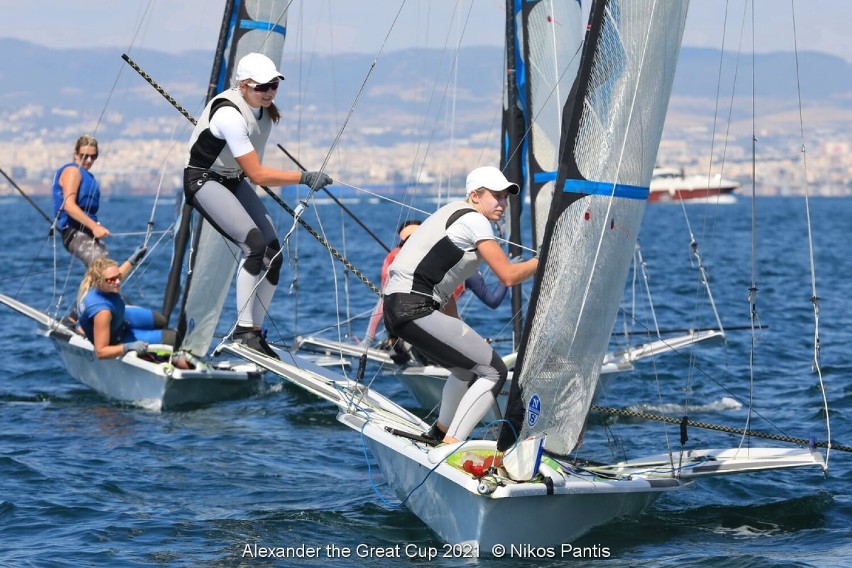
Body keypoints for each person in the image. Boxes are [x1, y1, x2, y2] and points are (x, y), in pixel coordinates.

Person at [183, 52, 332, 359]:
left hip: (232, 179)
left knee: (273, 253)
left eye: (274, 85)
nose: (269, 92)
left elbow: (246, 170)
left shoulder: (265, 109)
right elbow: (258, 174)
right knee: (254, 244)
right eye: (262, 86)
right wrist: (304, 177)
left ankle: (254, 332)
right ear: (244, 84)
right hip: (203, 180)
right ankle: (242, 331)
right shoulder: (229, 115)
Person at [382, 166, 538, 444]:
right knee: (494, 371)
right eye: (496, 196)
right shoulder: (476, 222)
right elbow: (509, 276)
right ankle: (452, 444)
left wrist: (456, 328)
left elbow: (442, 289)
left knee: (464, 369)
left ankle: (439, 432)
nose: (502, 203)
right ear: (476, 196)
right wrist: (546, 259)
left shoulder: (451, 212)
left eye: (505, 197)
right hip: (413, 308)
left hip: (397, 308)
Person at [52, 135, 146, 279]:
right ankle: (93, 301)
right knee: (103, 271)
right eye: (84, 156)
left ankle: (103, 299)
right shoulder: (72, 171)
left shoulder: (88, 176)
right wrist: (94, 227)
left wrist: (133, 259)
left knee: (110, 272)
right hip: (74, 233)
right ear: (75, 154)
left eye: (93, 156)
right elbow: (69, 206)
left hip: (88, 233)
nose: (89, 160)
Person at [77, 258, 175, 360]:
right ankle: (161, 357)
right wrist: (127, 347)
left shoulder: (97, 284)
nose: (118, 282)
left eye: (118, 276)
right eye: (112, 280)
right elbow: (100, 352)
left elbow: (114, 276)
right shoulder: (102, 312)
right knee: (173, 338)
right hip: (118, 337)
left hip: (119, 319)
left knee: (161, 321)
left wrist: (132, 260)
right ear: (99, 282)